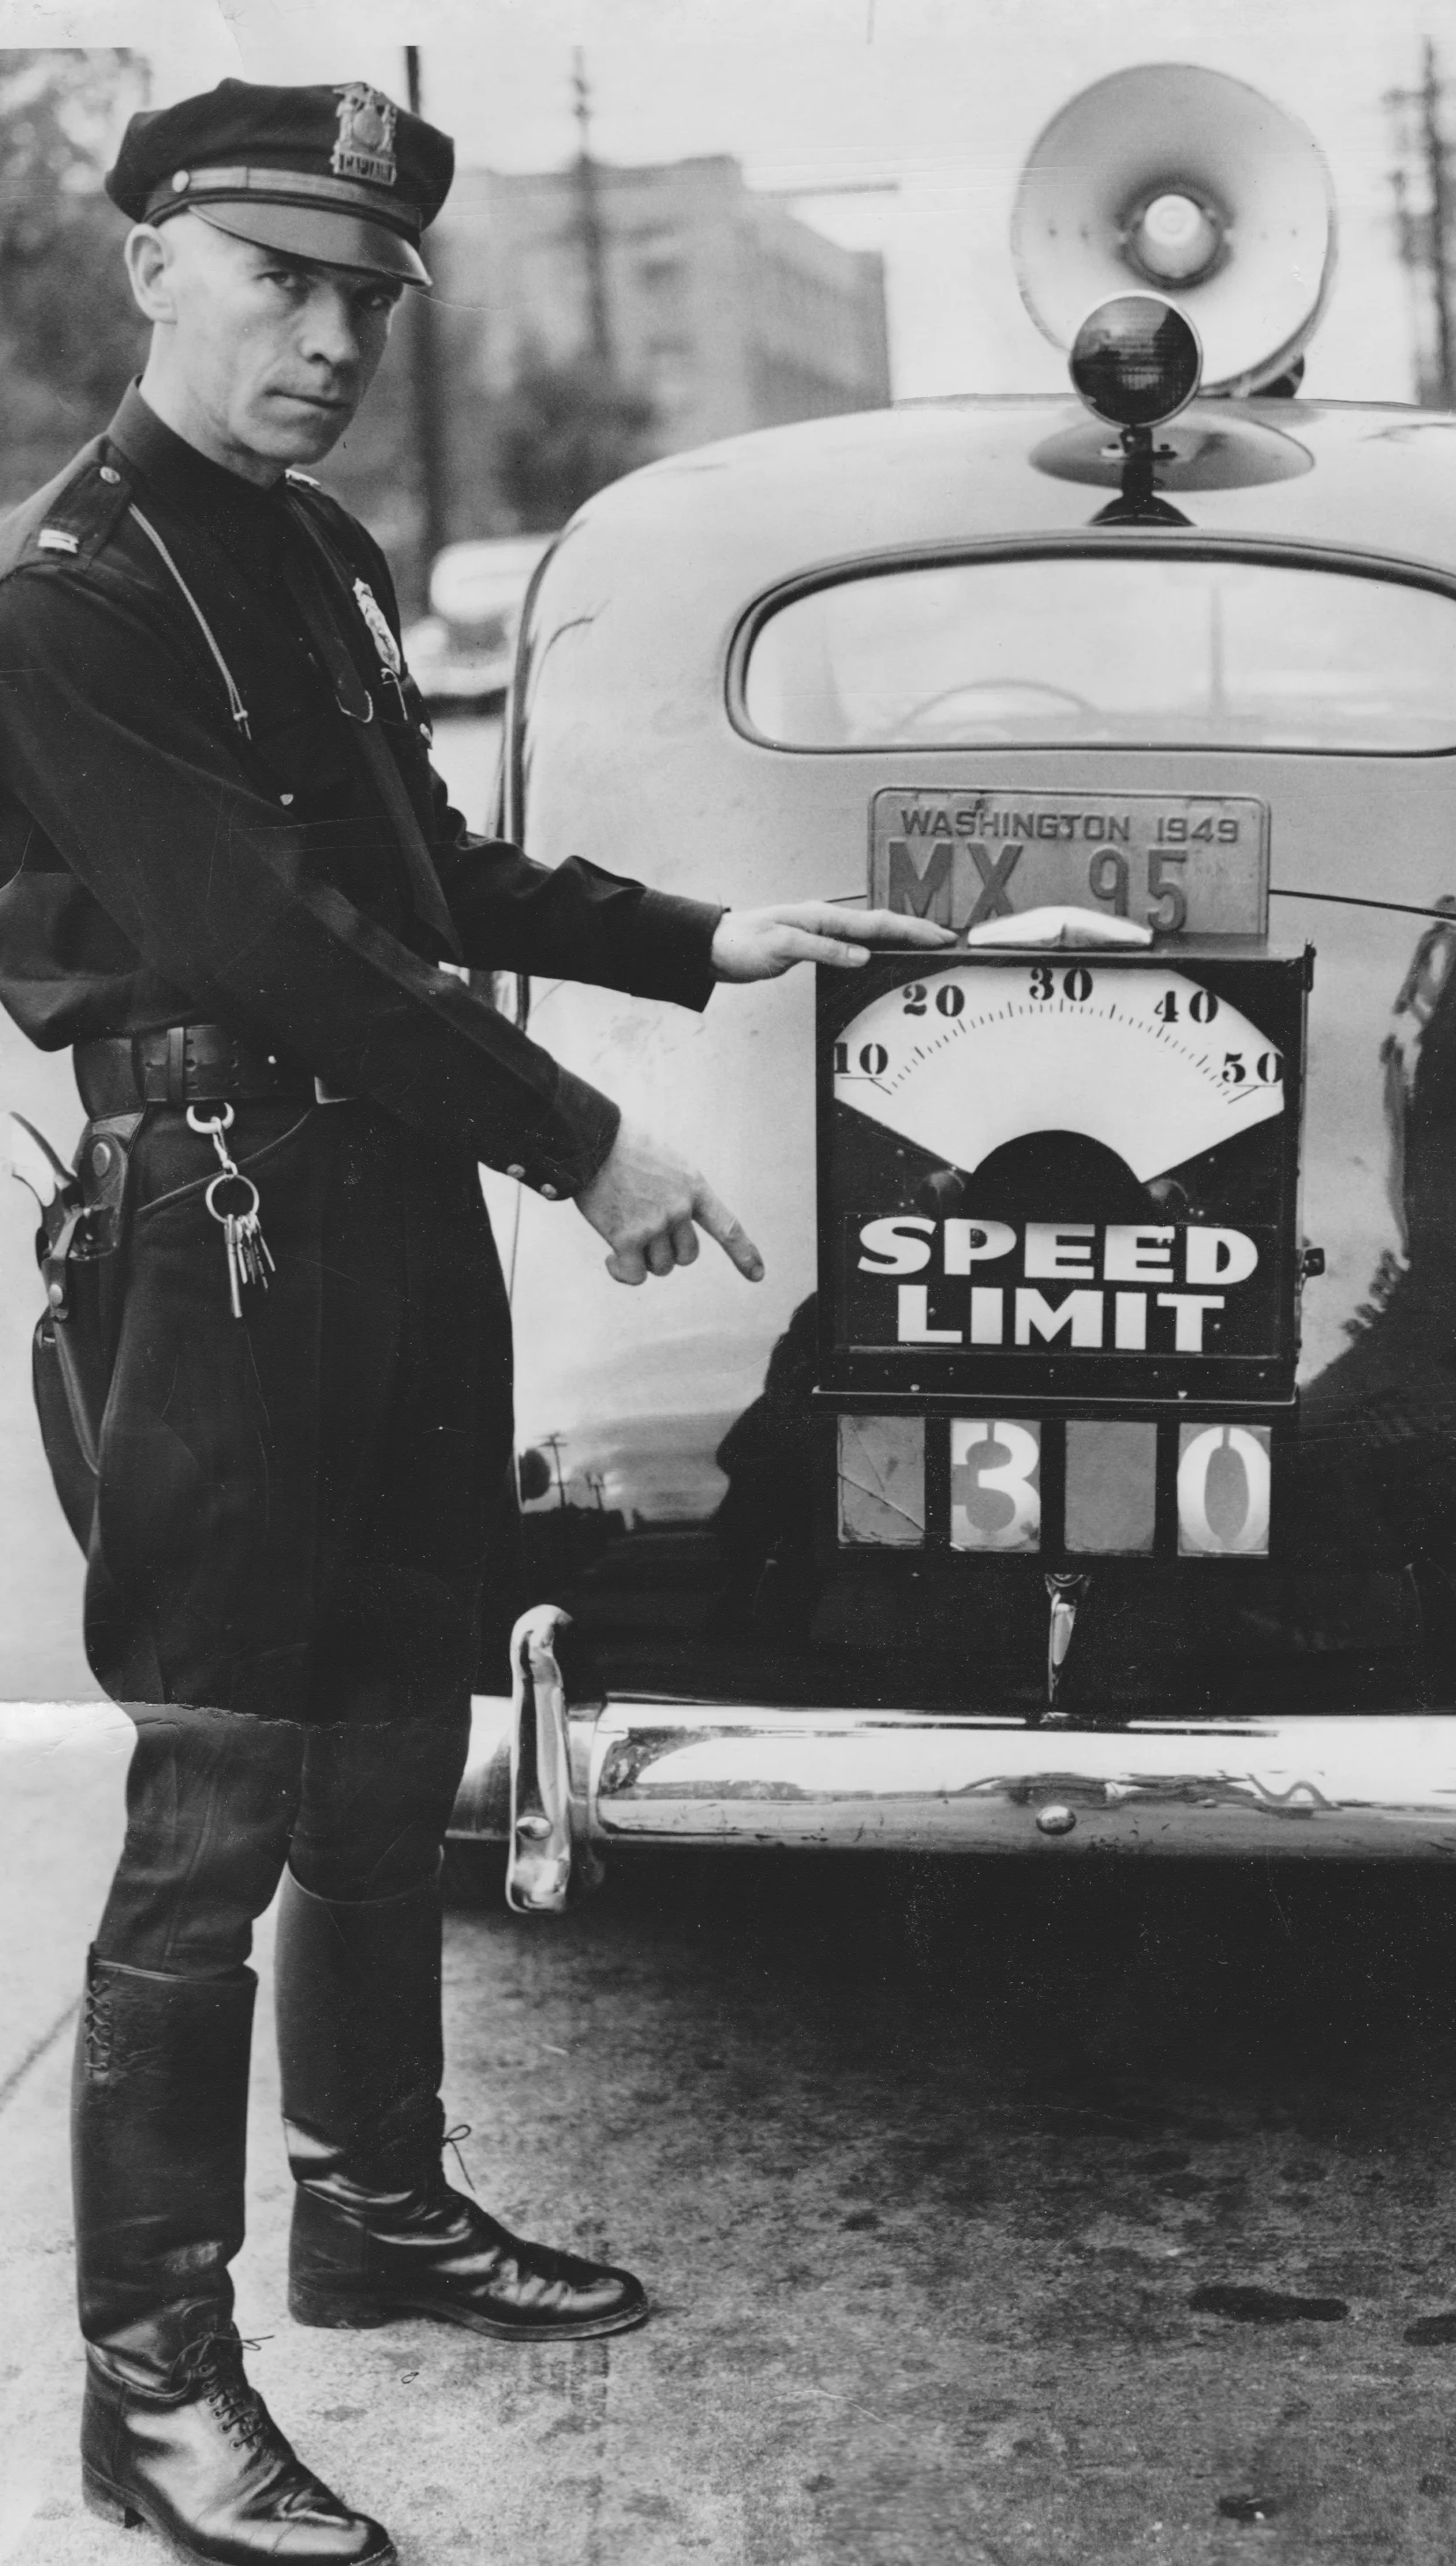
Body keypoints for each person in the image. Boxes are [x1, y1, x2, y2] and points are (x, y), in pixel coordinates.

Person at [0, 77, 949, 2566]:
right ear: (153, 276)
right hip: (212, 1244)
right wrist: (593, 1135)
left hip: (389, 1217)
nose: (325, 337)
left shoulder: (314, 552)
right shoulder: (67, 593)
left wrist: (688, 940)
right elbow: (254, 947)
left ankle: (375, 2215)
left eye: (363, 299)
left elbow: (422, 874)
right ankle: (151, 2383)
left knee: (393, 1753)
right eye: (279, 281)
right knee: (212, 1808)